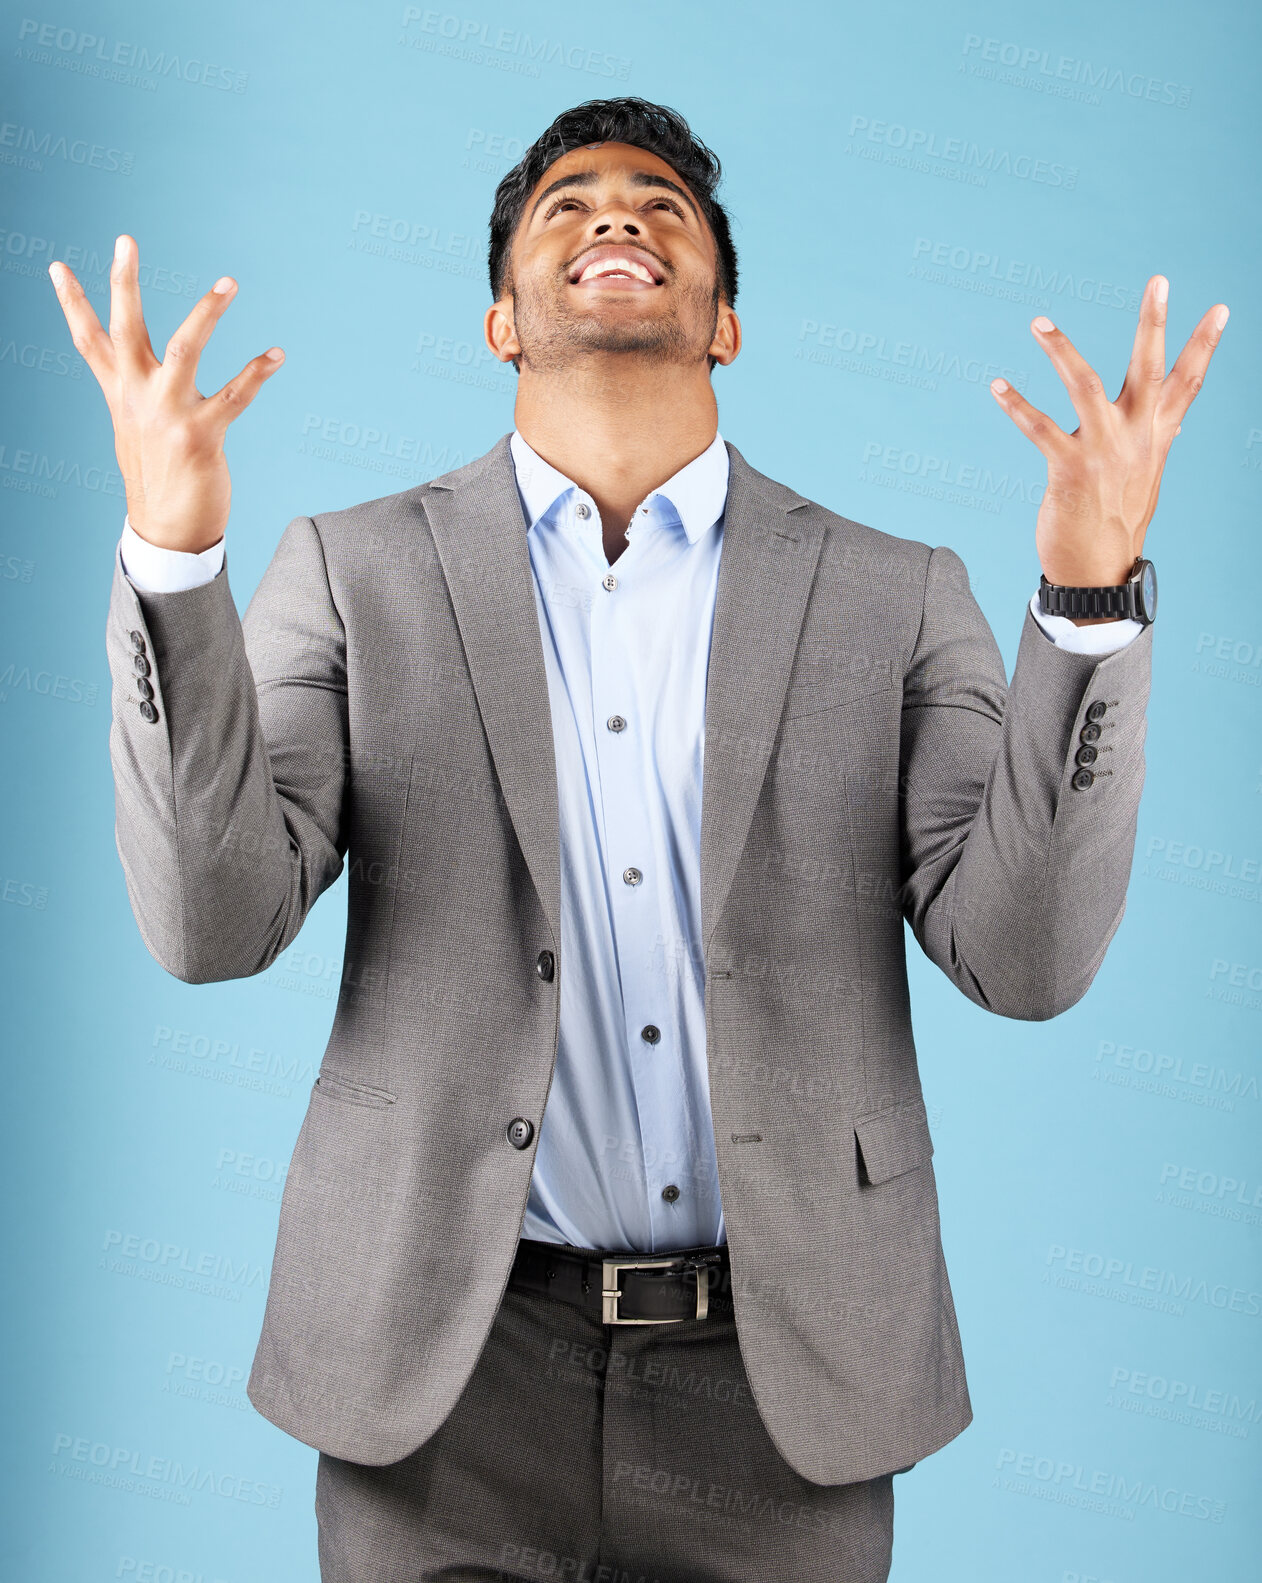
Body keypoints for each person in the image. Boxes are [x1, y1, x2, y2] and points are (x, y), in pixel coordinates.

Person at [50, 96, 1225, 1582]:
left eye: (662, 204)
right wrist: (173, 553)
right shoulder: (350, 572)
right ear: (499, 322)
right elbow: (212, 925)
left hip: (785, 1382)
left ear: (724, 324)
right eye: (569, 204)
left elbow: (1026, 957)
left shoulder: (891, 593)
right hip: (443, 1369)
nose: (617, 217)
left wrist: (1085, 600)